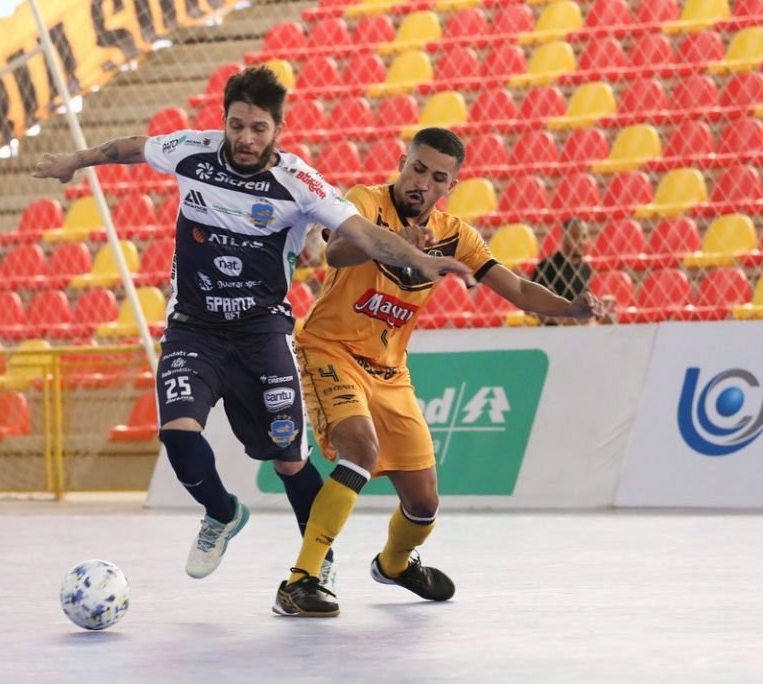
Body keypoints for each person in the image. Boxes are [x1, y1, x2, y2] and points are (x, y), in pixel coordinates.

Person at [33, 68, 475, 582]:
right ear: (224, 121)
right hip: (192, 329)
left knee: (289, 460)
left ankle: (317, 568)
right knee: (179, 435)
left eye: (258, 128)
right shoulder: (191, 151)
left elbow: (364, 234)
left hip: (262, 334)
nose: (245, 138)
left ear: (278, 131)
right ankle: (222, 513)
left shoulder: (300, 181)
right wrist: (74, 161)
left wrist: (423, 263)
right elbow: (129, 148)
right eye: (236, 125)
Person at [273, 128, 605, 617]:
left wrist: (572, 309)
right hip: (330, 351)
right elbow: (335, 253)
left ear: (451, 184)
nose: (422, 183)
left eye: (437, 177)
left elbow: (516, 289)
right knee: (360, 450)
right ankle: (300, 580)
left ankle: (394, 564)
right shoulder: (365, 203)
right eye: (417, 169)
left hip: (391, 371)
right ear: (403, 162)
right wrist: (395, 245)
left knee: (424, 503)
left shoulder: (457, 235)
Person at [533, 217, 592, 301]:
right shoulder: (547, 266)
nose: (581, 242)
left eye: (584, 236)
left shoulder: (586, 268)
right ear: (564, 237)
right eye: (575, 236)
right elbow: (534, 304)